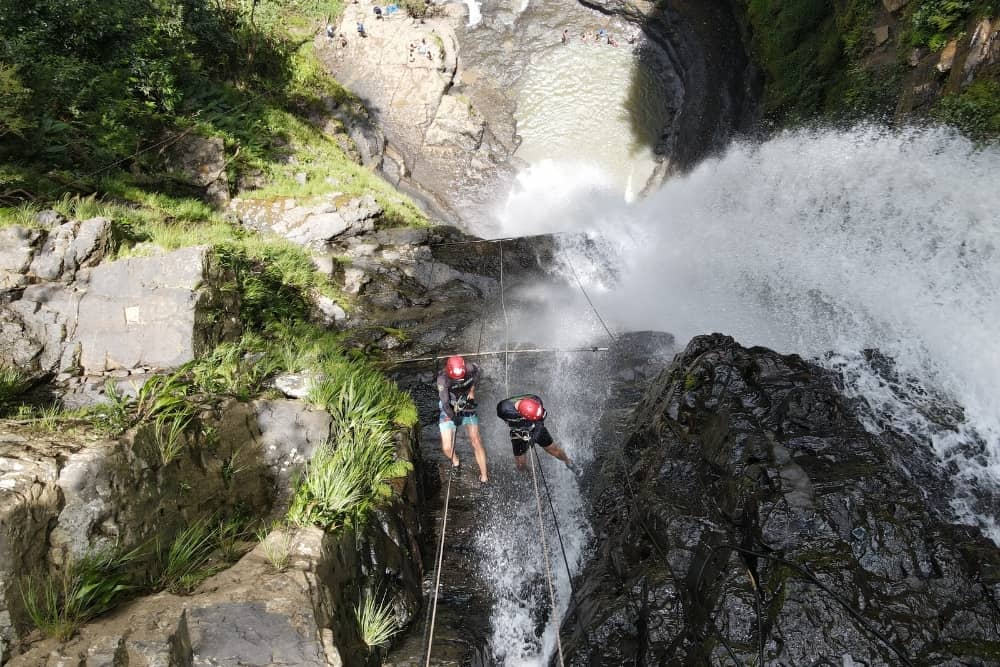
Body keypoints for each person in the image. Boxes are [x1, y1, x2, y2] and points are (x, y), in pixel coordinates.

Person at [496, 394, 579, 475]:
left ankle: (568, 462)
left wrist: (534, 437)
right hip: (518, 432)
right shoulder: (504, 410)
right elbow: (508, 421)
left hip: (535, 426)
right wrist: (521, 429)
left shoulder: (536, 400)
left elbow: (540, 421)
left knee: (553, 450)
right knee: (521, 466)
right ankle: (529, 474)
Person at [438, 355, 489, 484]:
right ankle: (455, 460)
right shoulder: (442, 379)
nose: (460, 379)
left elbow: (478, 374)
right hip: (451, 406)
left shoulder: (471, 368)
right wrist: (454, 417)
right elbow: (444, 403)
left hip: (466, 404)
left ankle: (484, 476)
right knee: (446, 448)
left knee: (476, 440)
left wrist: (472, 391)